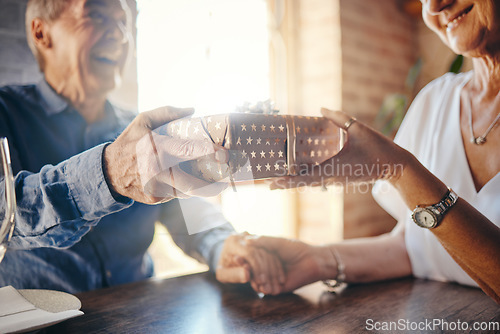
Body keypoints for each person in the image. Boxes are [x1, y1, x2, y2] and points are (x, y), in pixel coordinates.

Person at [0, 0, 285, 295]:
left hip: (139, 316)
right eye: (96, 15)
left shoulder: (138, 129)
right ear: (41, 33)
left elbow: (184, 208)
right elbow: (3, 212)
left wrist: (221, 244)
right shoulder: (5, 114)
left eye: (124, 23)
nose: (121, 35)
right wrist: (109, 172)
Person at [246, 0, 500, 303]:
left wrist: (399, 169)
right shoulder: (435, 100)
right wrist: (315, 259)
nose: (434, 6)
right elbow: (415, 247)